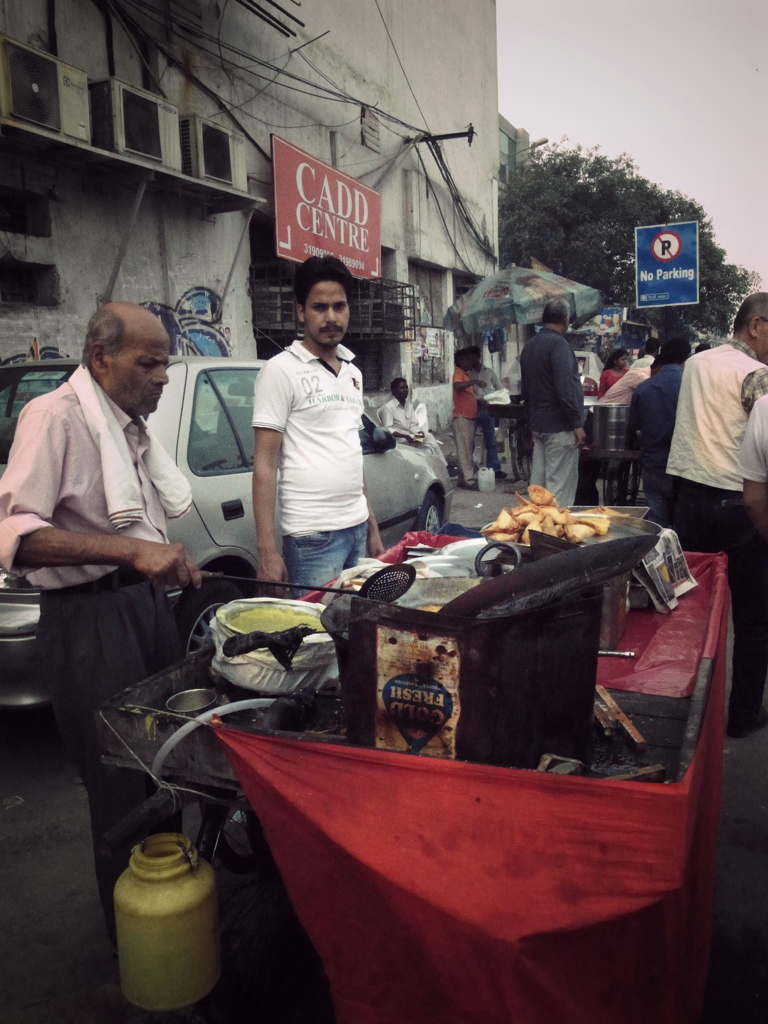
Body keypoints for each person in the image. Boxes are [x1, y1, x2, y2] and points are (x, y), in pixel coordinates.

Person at [0, 302, 202, 943]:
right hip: (87, 621)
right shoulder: (54, 416)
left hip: (142, 608)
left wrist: (156, 563)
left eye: (165, 364)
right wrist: (131, 550)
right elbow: (16, 538)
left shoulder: (127, 426)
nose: (162, 378)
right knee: (120, 784)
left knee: (167, 763)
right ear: (99, 359)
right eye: (148, 364)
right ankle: (140, 947)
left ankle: (175, 908)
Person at [667, 293, 768, 738]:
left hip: (689, 502)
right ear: (758, 326)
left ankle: (682, 714)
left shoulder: (696, 363)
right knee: (753, 622)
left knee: (691, 615)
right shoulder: (756, 376)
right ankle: (741, 718)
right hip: (739, 507)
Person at [252, 256, 384, 589]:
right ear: (300, 312)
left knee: (356, 630)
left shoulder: (353, 373)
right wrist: (267, 550)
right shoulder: (280, 371)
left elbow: (351, 452)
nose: (331, 318)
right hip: (312, 539)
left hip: (356, 528)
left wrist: (372, 528)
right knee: (314, 637)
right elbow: (265, 464)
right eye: (319, 307)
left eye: (339, 306)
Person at [520, 299, 586, 506]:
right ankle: (554, 536)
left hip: (539, 425)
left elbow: (526, 391)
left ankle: (536, 534)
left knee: (538, 489)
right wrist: (577, 424)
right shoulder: (559, 345)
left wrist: (530, 424)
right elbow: (565, 388)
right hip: (559, 427)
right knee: (558, 492)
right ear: (565, 319)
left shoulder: (529, 346)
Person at [628, 338, 691, 527]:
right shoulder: (691, 386)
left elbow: (633, 426)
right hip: (683, 467)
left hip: (653, 464)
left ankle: (658, 556)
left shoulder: (644, 387)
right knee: (681, 526)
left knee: (657, 526)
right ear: (686, 358)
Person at [379, 377, 446, 464]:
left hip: (411, 438)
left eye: (406, 387)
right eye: (402, 388)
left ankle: (433, 468)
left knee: (427, 445)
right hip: (399, 441)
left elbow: (413, 424)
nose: (405, 390)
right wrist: (405, 436)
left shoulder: (408, 405)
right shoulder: (388, 407)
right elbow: (388, 429)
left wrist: (419, 432)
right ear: (394, 390)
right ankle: (444, 466)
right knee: (429, 439)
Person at [467, 346, 506, 480]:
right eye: (469, 357)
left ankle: (494, 468)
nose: (471, 360)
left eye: (473, 357)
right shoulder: (467, 374)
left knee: (491, 440)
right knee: (470, 441)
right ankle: (470, 469)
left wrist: (494, 399)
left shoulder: (489, 373)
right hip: (472, 407)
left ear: (478, 357)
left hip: (487, 408)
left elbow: (500, 389)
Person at [452, 348, 479, 489]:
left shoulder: (465, 374)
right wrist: (473, 381)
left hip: (468, 416)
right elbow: (456, 386)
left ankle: (464, 478)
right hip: (462, 416)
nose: (471, 362)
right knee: (464, 451)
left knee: (466, 449)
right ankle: (469, 480)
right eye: (468, 359)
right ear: (461, 360)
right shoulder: (459, 373)